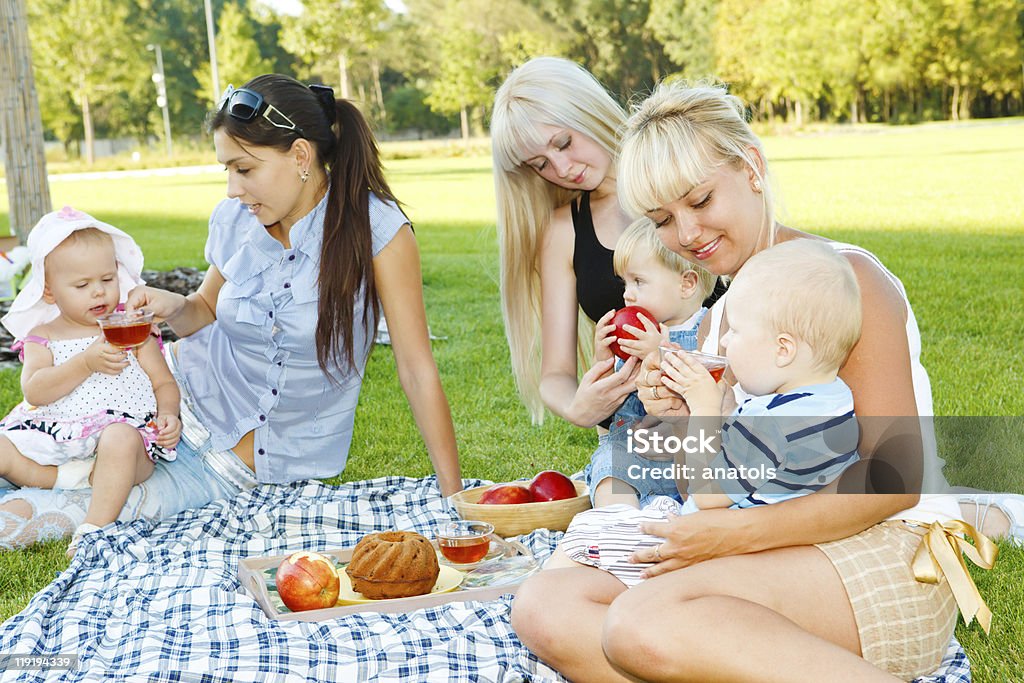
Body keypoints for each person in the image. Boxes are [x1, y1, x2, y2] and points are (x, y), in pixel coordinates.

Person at [512, 81, 1000, 681]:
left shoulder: (840, 280)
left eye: (700, 200)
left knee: (644, 621)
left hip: (883, 550)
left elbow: (894, 476)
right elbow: (730, 470)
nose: (686, 234)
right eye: (663, 219)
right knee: (545, 607)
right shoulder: (721, 314)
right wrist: (680, 418)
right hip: (771, 542)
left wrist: (725, 535)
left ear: (752, 168)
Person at [0, 74, 461, 551]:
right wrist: (170, 306)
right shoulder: (237, 220)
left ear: (301, 156)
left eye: (243, 169)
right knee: (17, 453)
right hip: (158, 404)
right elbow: (202, 310)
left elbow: (416, 368)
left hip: (225, 466)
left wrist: (455, 500)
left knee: (27, 521)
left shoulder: (379, 232)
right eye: (227, 169)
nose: (231, 189)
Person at [559, 239, 864, 587]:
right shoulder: (834, 400)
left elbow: (705, 493)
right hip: (770, 552)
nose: (723, 343)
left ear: (783, 350)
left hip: (712, 558)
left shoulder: (767, 423)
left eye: (735, 331)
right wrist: (722, 409)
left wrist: (704, 409)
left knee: (585, 534)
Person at [0, 208, 180, 555]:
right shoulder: (44, 336)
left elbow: (163, 383)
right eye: (82, 285)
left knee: (120, 439)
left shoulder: (131, 331)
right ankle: (62, 482)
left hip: (123, 452)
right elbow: (34, 389)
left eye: (107, 280)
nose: (98, 293)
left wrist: (169, 414)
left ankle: (94, 528)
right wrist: (84, 363)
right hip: (57, 448)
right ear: (50, 292)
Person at [490, 56, 641, 430]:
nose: (560, 169)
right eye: (540, 163)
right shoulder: (564, 230)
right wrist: (577, 406)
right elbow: (555, 374)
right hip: (636, 434)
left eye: (564, 142)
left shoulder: (678, 181)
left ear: (587, 111)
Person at [583, 219, 715, 507]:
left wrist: (659, 352)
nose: (627, 294)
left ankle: (671, 515)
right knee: (609, 468)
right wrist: (604, 359)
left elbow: (705, 387)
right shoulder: (636, 333)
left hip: (692, 459)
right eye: (625, 283)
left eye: (638, 281)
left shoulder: (711, 329)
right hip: (634, 456)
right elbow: (611, 399)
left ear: (687, 284)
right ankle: (619, 526)